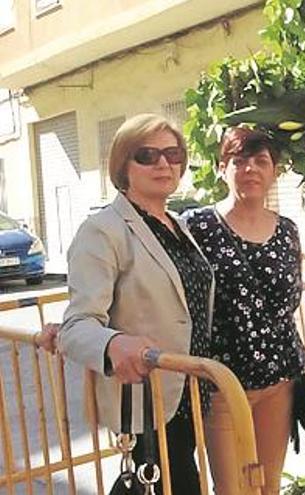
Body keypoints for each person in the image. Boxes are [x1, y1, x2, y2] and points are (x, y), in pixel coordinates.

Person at [57, 113, 213, 494]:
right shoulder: (103, 230)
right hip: (147, 399)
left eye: (173, 153)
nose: (164, 163)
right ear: (123, 165)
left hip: (190, 393)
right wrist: (112, 343)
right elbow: (77, 327)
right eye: (147, 154)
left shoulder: (177, 224)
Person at [182, 126, 305, 495]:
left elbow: (290, 299)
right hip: (223, 382)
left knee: (267, 486)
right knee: (233, 487)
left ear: (275, 171)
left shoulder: (287, 230)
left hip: (279, 379)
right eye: (239, 161)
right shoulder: (197, 225)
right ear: (222, 168)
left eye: (261, 161)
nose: (250, 169)